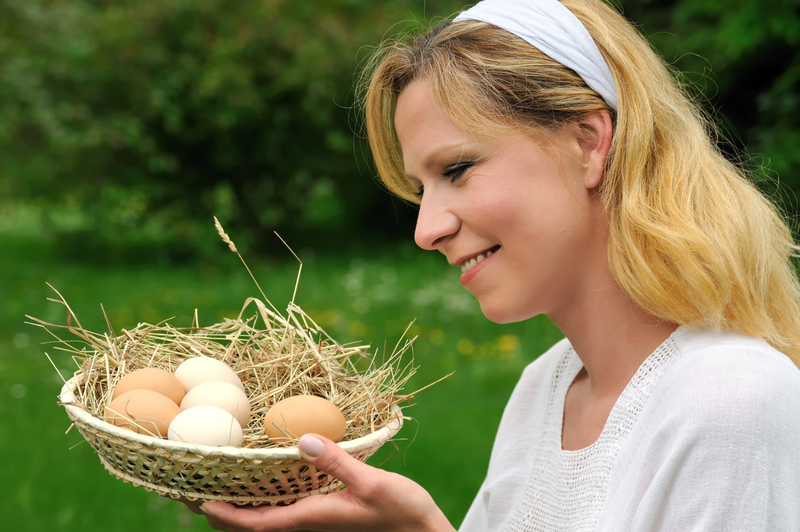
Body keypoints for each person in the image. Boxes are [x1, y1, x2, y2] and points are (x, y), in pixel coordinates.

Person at [187, 0, 800, 530]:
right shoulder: (545, 388)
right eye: (421, 189)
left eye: (456, 170)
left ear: (588, 143)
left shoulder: (729, 400)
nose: (427, 229)